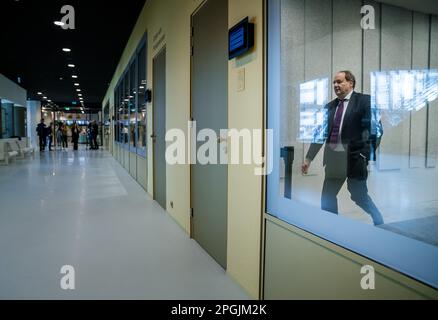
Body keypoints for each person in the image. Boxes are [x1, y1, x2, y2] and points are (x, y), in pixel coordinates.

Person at [301, 71, 384, 226]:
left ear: (350, 83)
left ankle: (377, 217)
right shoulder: (330, 107)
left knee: (358, 196)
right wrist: (308, 158)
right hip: (334, 160)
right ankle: (332, 227)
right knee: (327, 197)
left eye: (339, 82)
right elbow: (320, 133)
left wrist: (365, 155)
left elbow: (377, 130)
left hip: (355, 159)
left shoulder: (365, 101)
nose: (336, 85)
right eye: (334, 83)